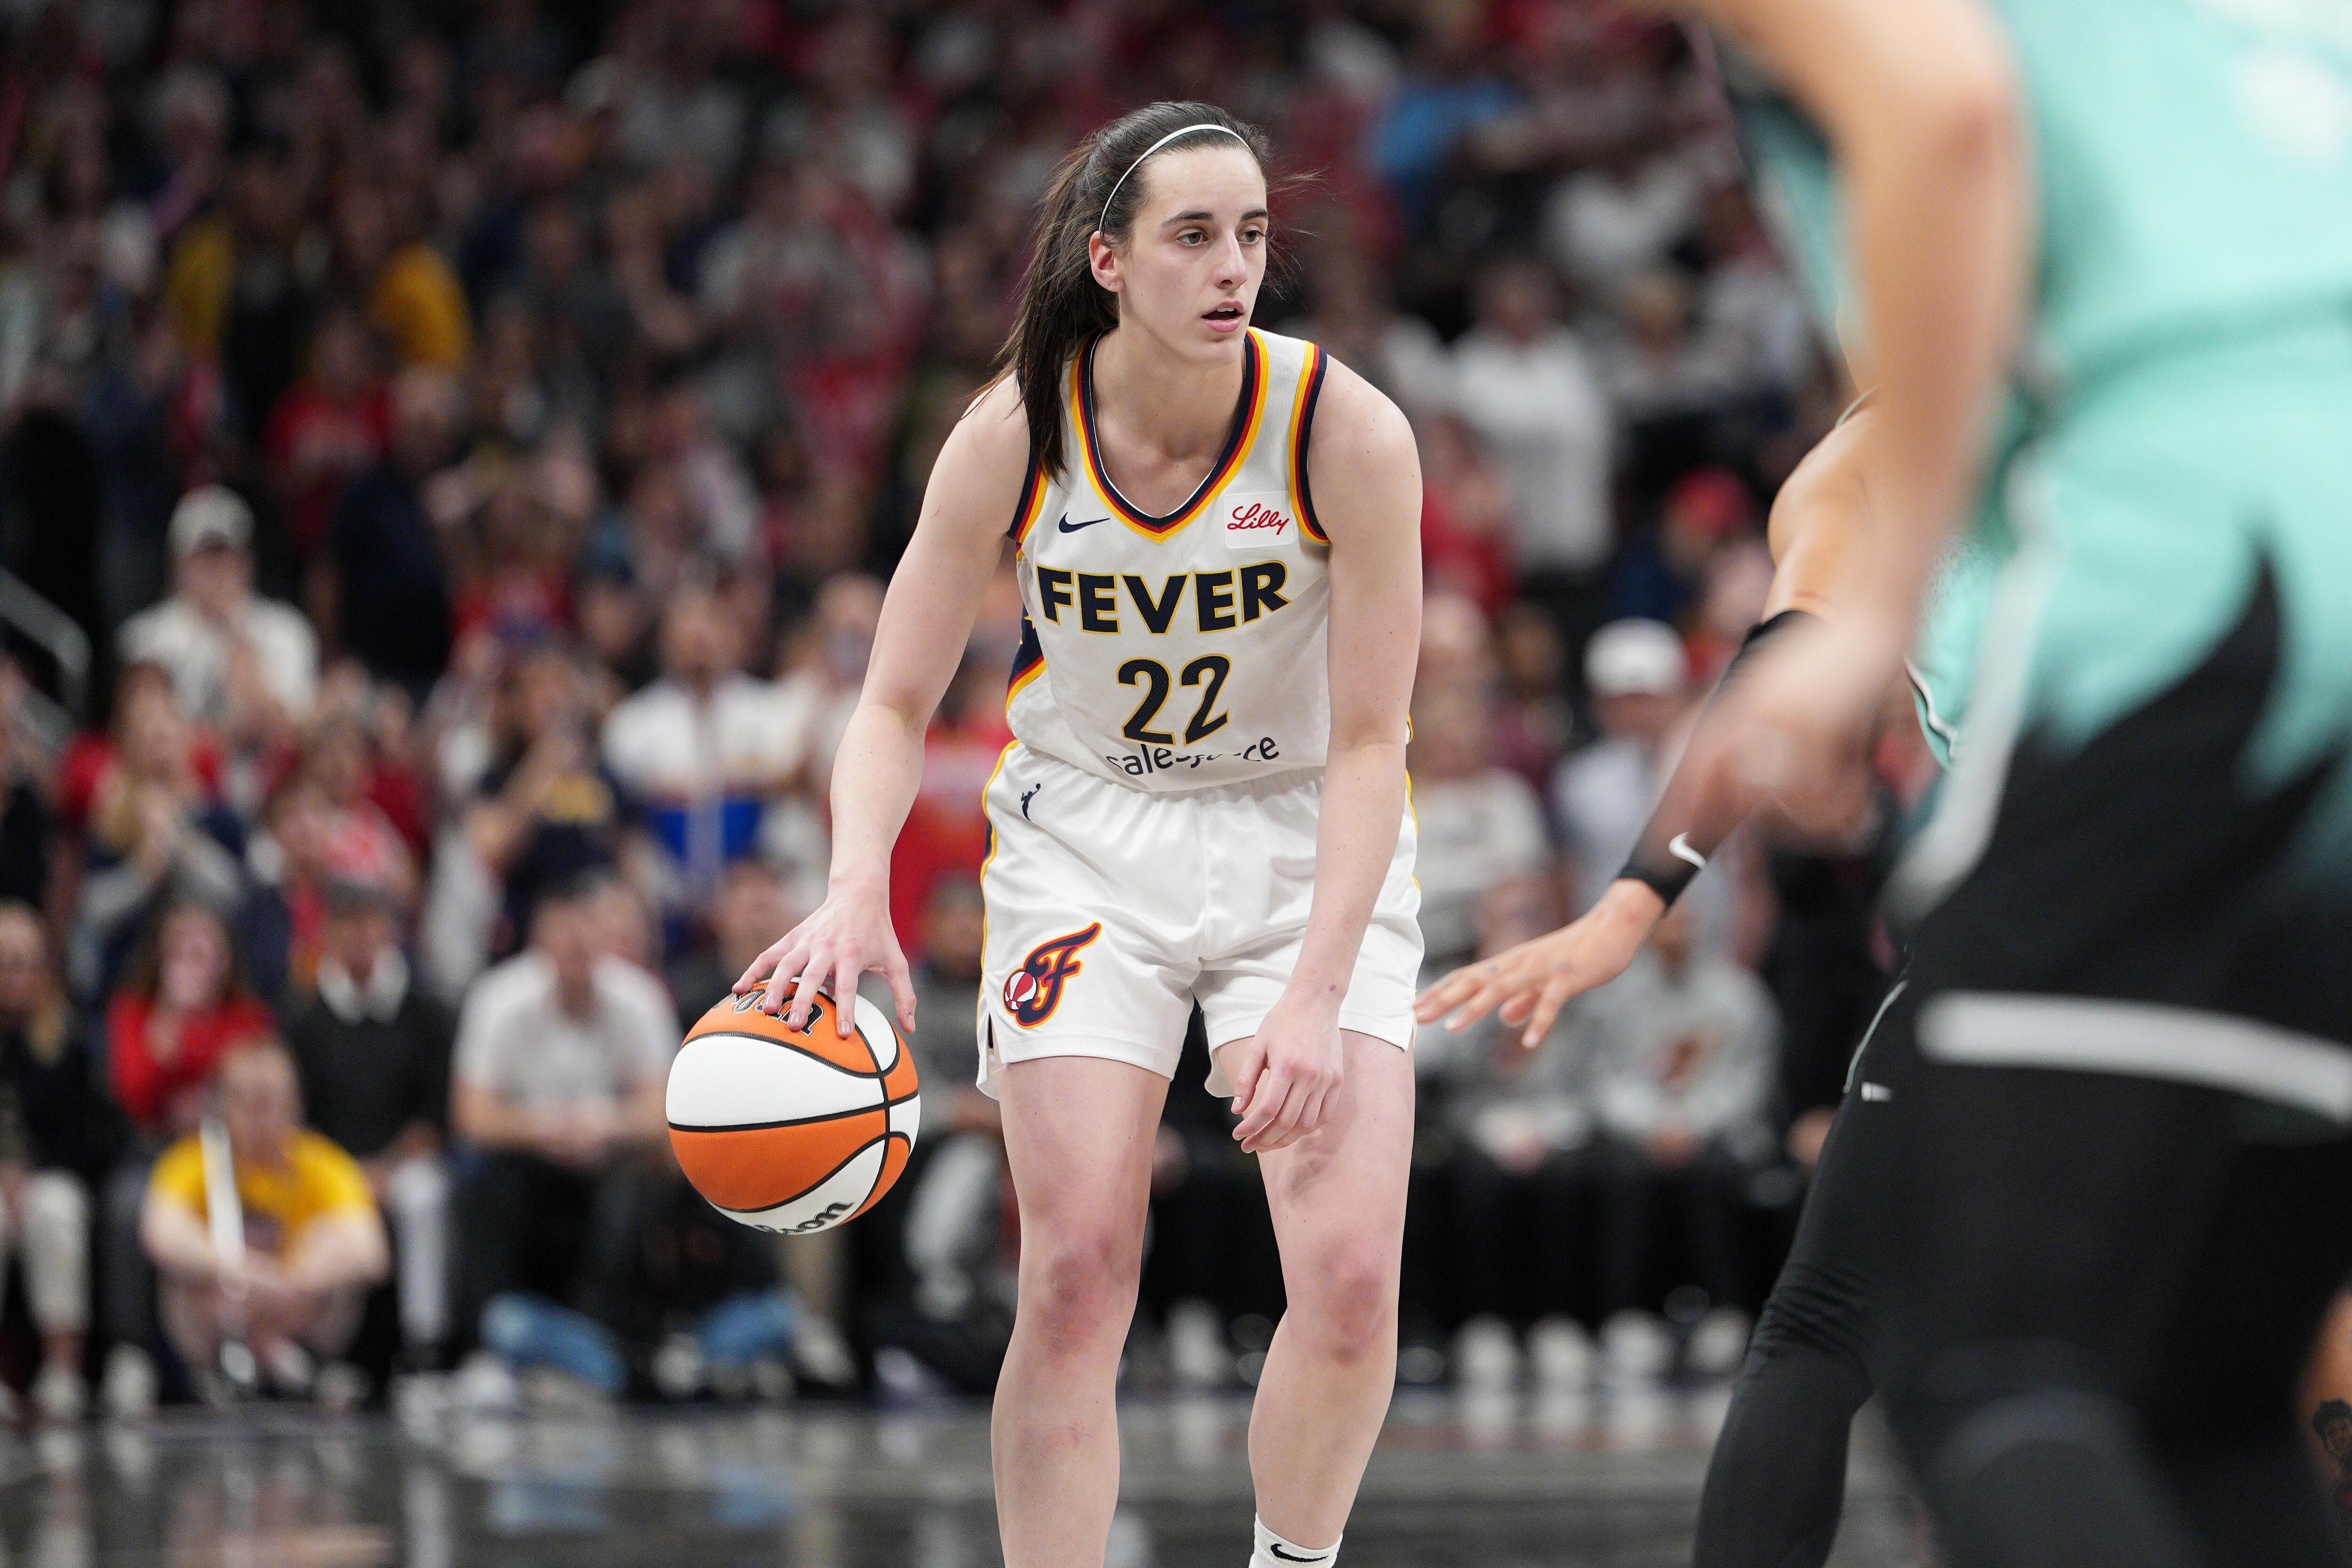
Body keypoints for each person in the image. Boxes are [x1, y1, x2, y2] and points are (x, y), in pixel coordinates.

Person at [735, 102, 1424, 1568]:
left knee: (1354, 1274)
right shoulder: (1012, 428)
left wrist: (1307, 992)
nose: (1232, 263)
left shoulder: (1344, 429)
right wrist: (856, 885)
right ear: (1106, 260)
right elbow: (887, 701)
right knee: (1073, 1274)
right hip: (1089, 841)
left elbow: (1373, 743)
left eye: (1250, 232)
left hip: (1304, 823)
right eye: (1192, 234)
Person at [450, 872, 676, 1352]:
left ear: (608, 934)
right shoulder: (498, 998)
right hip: (528, 1159)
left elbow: (662, 1111)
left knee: (645, 1180)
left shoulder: (640, 998)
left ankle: (615, 1338)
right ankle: (483, 1343)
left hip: (608, 1160)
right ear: (539, 938)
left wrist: (603, 1123)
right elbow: (471, 1114)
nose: (576, 943)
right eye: (562, 930)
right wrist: (541, 1126)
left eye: (587, 928)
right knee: (484, 1183)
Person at [142, 1041, 389, 1402]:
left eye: (272, 1103)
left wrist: (293, 1279)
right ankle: (258, 1362)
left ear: (297, 1105)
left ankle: (287, 1356)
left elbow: (371, 1252)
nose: (261, 1119)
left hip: (299, 1308)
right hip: (225, 1310)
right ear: (225, 1107)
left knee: (330, 1240)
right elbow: (160, 1234)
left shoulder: (323, 1162)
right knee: (187, 1263)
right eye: (248, 1104)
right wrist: (239, 1268)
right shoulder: (194, 1160)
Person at [282, 879, 456, 1369]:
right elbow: (300, 1118)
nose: (358, 935)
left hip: (405, 1163)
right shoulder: (304, 1019)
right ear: (325, 935)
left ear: (390, 932)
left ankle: (426, 1341)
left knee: (423, 1198)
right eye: (344, 923)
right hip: (328, 1165)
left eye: (369, 921)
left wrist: (389, 1165)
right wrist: (345, 1172)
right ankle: (323, 1349)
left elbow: (434, 1115)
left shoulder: (427, 1012)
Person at [116, 486, 319, 748]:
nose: (216, 570)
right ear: (177, 564)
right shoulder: (144, 638)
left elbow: (293, 732)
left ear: (248, 561)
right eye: (203, 557)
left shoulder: (287, 630)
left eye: (225, 556)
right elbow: (143, 738)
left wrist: (236, 640)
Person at [0, 904, 101, 1421]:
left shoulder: (68, 1040)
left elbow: (87, 1138)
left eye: (25, 963)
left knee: (55, 1211)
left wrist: (30, 1174)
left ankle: (63, 1368)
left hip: (52, 1177)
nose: (15, 976)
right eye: (5, 962)